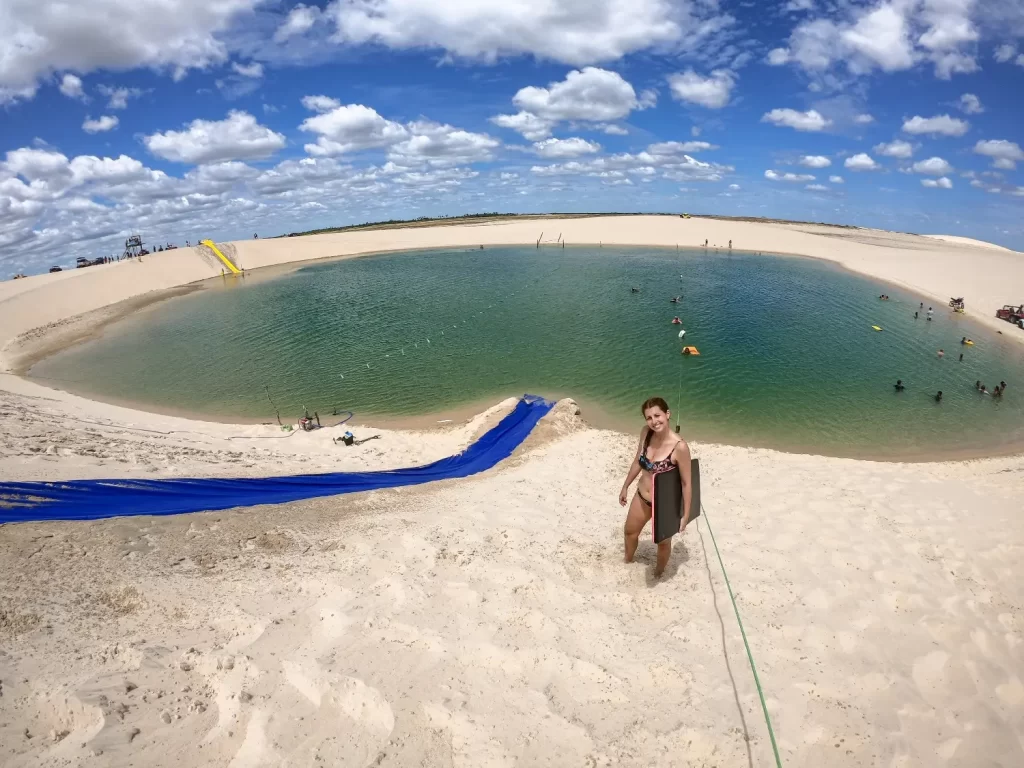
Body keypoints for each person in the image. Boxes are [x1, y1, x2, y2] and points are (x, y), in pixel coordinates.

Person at [619, 397, 693, 577]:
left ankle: (658, 573)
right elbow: (638, 460)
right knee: (629, 532)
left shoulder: (680, 447)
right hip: (642, 497)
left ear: (667, 414)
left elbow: (686, 482)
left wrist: (686, 515)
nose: (654, 421)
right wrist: (626, 485)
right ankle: (627, 561)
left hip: (665, 505)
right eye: (649, 417)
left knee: (663, 543)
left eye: (657, 415)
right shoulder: (646, 432)